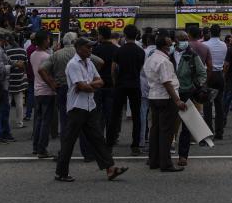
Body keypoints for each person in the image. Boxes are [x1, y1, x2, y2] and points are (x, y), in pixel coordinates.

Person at [54, 38, 128, 182]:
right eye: (88, 47)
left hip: (89, 106)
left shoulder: (89, 63)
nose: (91, 49)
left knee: (98, 138)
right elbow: (84, 87)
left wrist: (88, 85)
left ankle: (110, 169)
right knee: (69, 141)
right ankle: (61, 172)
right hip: (77, 107)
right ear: (79, 48)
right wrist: (90, 85)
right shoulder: (73, 64)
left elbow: (100, 82)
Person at [143, 34, 187, 172]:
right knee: (167, 132)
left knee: (155, 130)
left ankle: (154, 160)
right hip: (166, 98)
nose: (172, 45)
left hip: (153, 96)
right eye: (170, 44)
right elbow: (167, 83)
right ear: (165, 46)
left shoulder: (150, 58)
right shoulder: (164, 61)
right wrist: (177, 100)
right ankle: (166, 163)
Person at [107, 25, 145, 153]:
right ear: (136, 35)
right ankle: (135, 144)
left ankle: (110, 143)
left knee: (115, 115)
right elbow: (140, 68)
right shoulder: (140, 51)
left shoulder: (119, 50)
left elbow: (113, 69)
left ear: (125, 35)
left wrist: (115, 83)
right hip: (135, 84)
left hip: (121, 84)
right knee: (136, 115)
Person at [175, 30, 207, 166]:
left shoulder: (192, 55)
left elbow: (202, 73)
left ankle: (183, 155)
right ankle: (163, 151)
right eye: (180, 38)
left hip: (187, 91)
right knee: (168, 124)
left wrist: (196, 85)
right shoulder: (169, 54)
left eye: (185, 38)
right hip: (170, 92)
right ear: (175, 40)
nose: (183, 41)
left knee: (186, 126)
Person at [28, 30, 54, 158]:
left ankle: (36, 147)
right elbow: (50, 73)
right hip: (47, 91)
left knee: (38, 120)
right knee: (46, 121)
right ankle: (42, 149)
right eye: (48, 39)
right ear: (44, 41)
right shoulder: (46, 56)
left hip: (37, 90)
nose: (49, 41)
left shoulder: (33, 54)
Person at [202, 24, 228, 139]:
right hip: (220, 74)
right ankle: (220, 132)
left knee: (207, 104)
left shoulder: (205, 45)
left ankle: (208, 131)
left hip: (209, 74)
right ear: (220, 32)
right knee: (219, 105)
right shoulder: (224, 45)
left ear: (210, 33)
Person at [5, 37, 28, 130]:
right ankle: (19, 122)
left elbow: (6, 65)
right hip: (19, 79)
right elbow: (26, 64)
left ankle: (5, 122)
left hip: (9, 79)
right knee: (19, 103)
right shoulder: (23, 51)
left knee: (7, 103)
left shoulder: (7, 52)